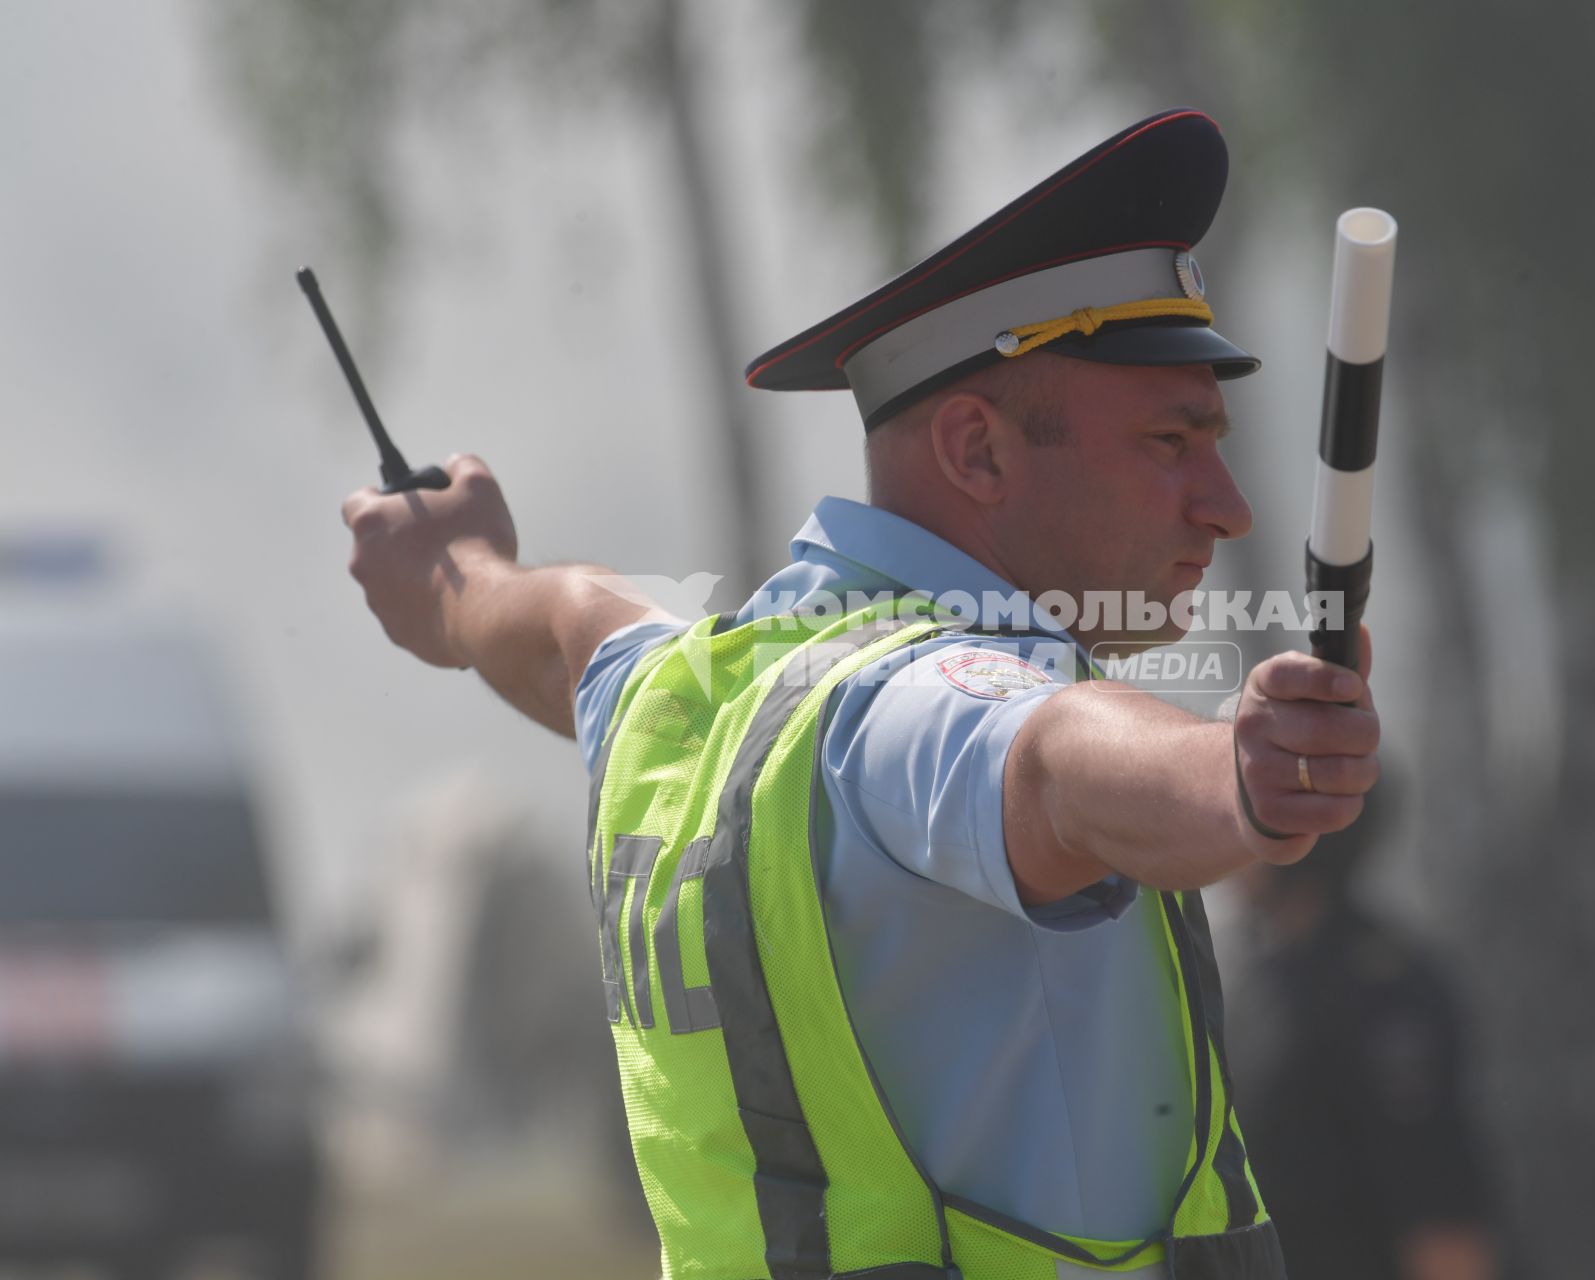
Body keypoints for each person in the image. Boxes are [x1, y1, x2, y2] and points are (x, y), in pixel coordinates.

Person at [340, 109, 1381, 1277]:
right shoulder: (927, 699)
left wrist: (454, 573)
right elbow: (1049, 758)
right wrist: (1233, 774)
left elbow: (555, 629)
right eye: (1171, 439)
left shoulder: (689, 692)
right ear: (978, 452)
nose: (1226, 502)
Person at [1225, 781, 1499, 1280]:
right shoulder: (1254, 976)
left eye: (1248, 813)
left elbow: (1441, 1220)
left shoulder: (1383, 991)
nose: (1229, 833)